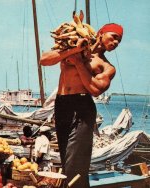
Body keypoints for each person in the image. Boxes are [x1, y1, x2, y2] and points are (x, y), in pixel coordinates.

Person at [40, 23, 123, 187]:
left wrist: (78, 63)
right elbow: (44, 60)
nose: (115, 42)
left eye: (119, 41)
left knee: (74, 166)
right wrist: (74, 51)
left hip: (82, 108)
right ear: (100, 33)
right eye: (114, 37)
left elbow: (95, 89)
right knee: (67, 162)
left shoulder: (106, 66)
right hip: (62, 105)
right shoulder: (73, 45)